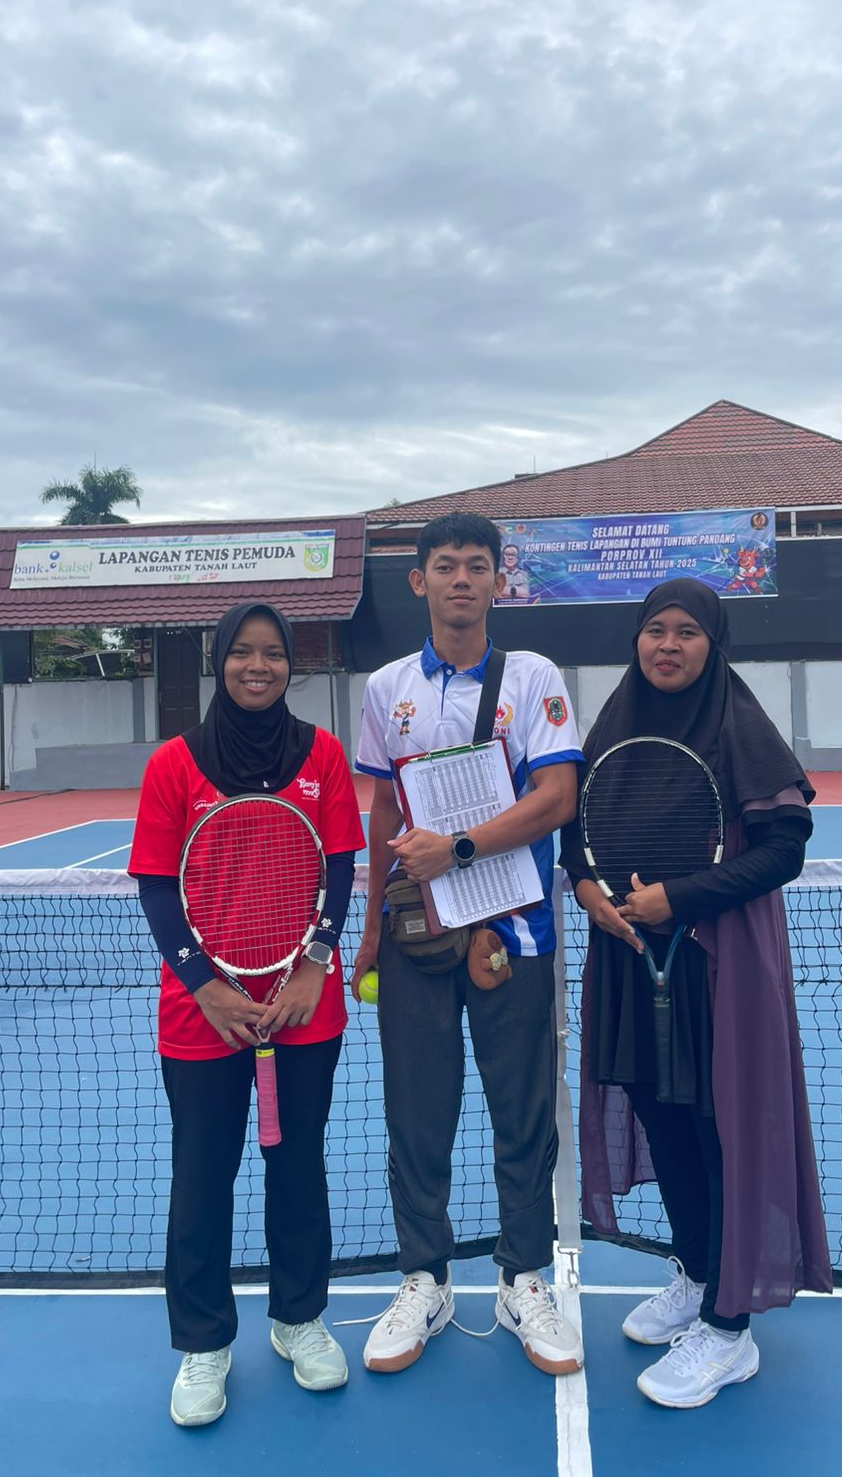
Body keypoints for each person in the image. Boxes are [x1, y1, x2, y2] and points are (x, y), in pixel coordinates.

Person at [561, 579, 832, 1409]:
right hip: (629, 958)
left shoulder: (738, 723)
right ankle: (699, 1268)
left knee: (718, 1128)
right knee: (662, 1114)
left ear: (714, 644)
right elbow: (576, 828)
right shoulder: (616, 721)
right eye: (655, 630)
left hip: (715, 964)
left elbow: (784, 849)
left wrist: (678, 900)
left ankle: (729, 1326)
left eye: (686, 632)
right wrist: (586, 888)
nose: (668, 645)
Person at [352, 512, 585, 1376]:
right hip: (415, 936)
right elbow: (384, 808)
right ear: (419, 581)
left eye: (477, 566)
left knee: (520, 1111)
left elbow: (557, 798)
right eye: (446, 565)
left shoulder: (534, 678)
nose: (461, 579)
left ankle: (522, 1278)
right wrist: (369, 931)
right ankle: (426, 1277)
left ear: (498, 581)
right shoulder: (386, 689)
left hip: (514, 931)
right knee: (417, 1112)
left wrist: (457, 849)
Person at [129, 602, 365, 1427]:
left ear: (291, 665)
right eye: (241, 652)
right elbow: (157, 886)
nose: (257, 667)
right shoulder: (175, 764)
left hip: (303, 1007)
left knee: (297, 1166)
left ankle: (298, 1318)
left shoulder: (322, 755)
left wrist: (313, 966)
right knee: (203, 1177)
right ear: (219, 660)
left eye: (272, 654)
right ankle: (203, 1342)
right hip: (203, 1013)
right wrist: (206, 986)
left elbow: (341, 867)